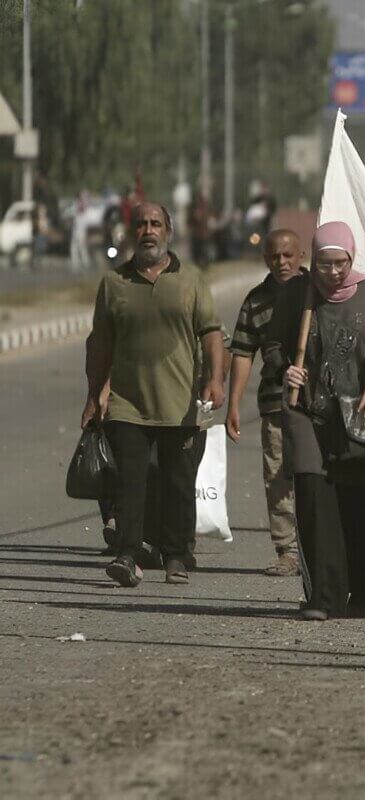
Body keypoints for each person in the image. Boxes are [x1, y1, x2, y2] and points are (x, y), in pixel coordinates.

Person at [264, 222, 365, 621]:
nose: (332, 273)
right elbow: (274, 343)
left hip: (361, 415)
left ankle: (361, 588)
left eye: (340, 263)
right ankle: (322, 597)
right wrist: (285, 371)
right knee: (314, 498)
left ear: (352, 258)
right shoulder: (299, 294)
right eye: (324, 264)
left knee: (361, 503)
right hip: (309, 413)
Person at [81, 202, 225, 588]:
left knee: (178, 483)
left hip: (179, 403)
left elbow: (211, 333)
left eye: (156, 223)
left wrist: (216, 380)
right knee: (130, 481)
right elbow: (100, 344)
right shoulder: (114, 283)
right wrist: (95, 395)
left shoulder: (191, 280)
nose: (148, 230)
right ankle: (128, 554)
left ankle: (176, 555)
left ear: (168, 231)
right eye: (141, 224)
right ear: (132, 233)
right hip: (128, 403)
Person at [227, 229, 306, 577]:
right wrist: (233, 405)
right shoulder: (256, 300)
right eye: (275, 256)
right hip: (275, 405)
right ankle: (287, 549)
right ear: (266, 259)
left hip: (317, 407)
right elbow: (243, 353)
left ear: (300, 255)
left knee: (315, 476)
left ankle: (317, 545)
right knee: (277, 476)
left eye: (288, 255)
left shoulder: (316, 292)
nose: (282, 262)